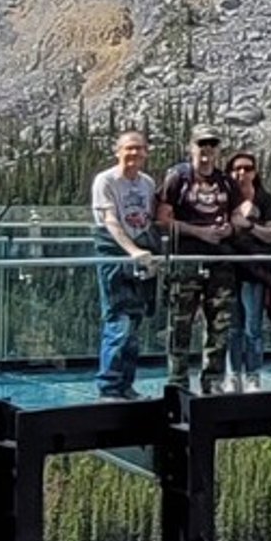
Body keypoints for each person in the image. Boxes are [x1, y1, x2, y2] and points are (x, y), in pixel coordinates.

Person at [159, 126, 237, 395]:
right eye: (202, 144)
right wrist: (198, 231)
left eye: (212, 144)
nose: (207, 150)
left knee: (220, 323)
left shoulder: (226, 182)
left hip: (220, 261)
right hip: (186, 259)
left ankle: (212, 379)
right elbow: (163, 218)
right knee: (180, 322)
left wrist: (230, 228)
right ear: (191, 147)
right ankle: (177, 381)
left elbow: (236, 214)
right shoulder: (177, 177)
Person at [90, 128, 160, 399]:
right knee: (118, 321)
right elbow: (109, 221)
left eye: (139, 148)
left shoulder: (147, 183)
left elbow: (147, 218)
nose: (134, 153)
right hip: (114, 254)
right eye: (129, 148)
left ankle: (126, 384)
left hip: (141, 251)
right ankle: (109, 386)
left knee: (135, 322)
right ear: (118, 151)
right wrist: (132, 251)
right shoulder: (104, 181)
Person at [223, 149, 271, 391]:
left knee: (253, 327)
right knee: (232, 327)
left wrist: (247, 225)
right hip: (228, 269)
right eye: (237, 168)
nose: (242, 173)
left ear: (255, 172)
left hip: (256, 271)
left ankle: (253, 375)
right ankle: (232, 374)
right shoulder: (223, 198)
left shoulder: (264, 199)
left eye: (248, 168)